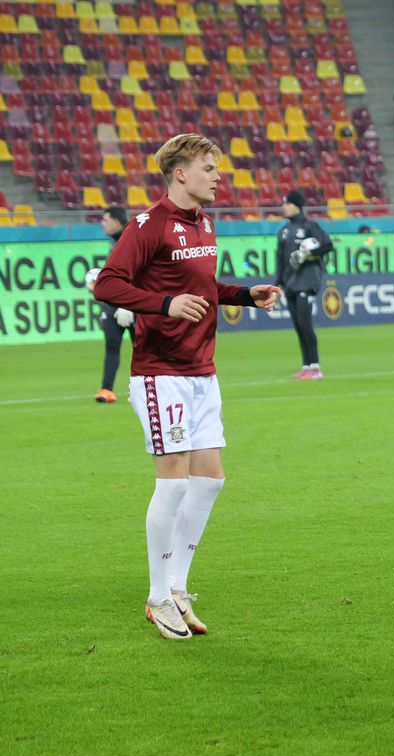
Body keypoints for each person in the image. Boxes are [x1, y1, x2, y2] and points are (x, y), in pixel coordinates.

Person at [93, 133, 282, 641]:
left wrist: (244, 294)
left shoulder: (205, 223)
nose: (217, 176)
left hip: (202, 371)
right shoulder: (148, 225)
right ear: (180, 173)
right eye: (208, 167)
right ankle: (158, 597)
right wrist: (163, 305)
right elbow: (108, 283)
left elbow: (201, 288)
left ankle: (177, 587)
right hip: (161, 373)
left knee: (210, 480)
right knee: (173, 484)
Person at [276, 189, 333, 380]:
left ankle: (315, 367)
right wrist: (278, 284)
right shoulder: (283, 231)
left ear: (297, 206)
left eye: (287, 203)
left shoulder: (310, 226)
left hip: (307, 281)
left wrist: (308, 253)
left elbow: (327, 246)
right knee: (299, 326)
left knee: (306, 324)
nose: (284, 207)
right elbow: (280, 260)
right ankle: (306, 366)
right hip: (290, 283)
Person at [91, 206, 135, 402]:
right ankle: (106, 390)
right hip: (113, 306)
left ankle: (140, 388)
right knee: (111, 346)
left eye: (106, 220)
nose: (103, 224)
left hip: (134, 306)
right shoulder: (115, 243)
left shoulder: (131, 241)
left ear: (117, 223)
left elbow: (138, 273)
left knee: (142, 349)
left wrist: (129, 304)